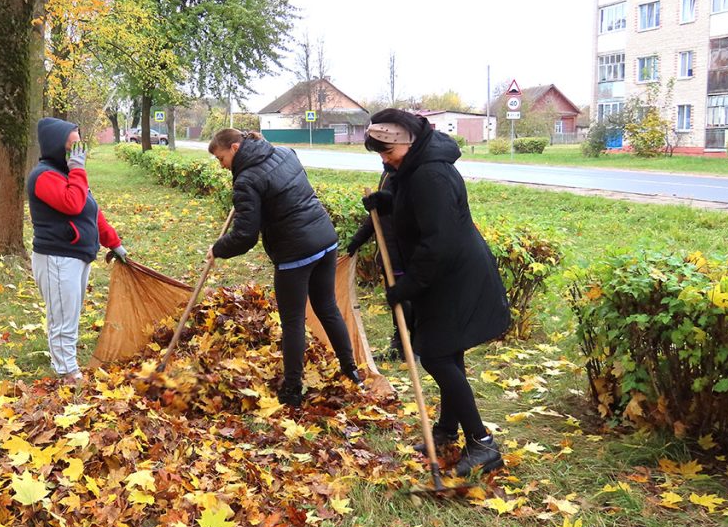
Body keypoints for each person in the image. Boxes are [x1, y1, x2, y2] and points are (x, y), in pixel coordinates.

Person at [361, 109, 510, 477]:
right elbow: (420, 213)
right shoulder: (416, 167)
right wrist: (389, 204)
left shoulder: (430, 173)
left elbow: (438, 242)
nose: (384, 160)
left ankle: (482, 444)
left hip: (455, 274)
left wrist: (407, 287)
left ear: (406, 143)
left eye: (386, 152)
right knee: (447, 353)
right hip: (446, 272)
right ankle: (446, 430)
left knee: (436, 356)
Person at [206, 128, 360, 408]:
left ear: (236, 148)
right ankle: (351, 369)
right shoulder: (284, 153)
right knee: (327, 307)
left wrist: (218, 249)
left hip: (295, 252)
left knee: (292, 321)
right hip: (324, 239)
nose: (222, 165)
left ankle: (292, 390)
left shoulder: (246, 179)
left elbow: (245, 235)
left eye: (221, 158)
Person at [27, 117, 127, 384]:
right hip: (57, 256)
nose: (77, 151)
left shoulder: (69, 174)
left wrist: (113, 242)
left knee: (70, 312)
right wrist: (78, 169)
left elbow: (91, 211)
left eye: (79, 145)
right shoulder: (44, 176)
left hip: (77, 256)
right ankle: (67, 372)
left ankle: (65, 362)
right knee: (62, 316)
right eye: (72, 145)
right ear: (56, 146)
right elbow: (72, 205)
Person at [344, 163, 409, 361]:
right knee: (396, 298)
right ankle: (401, 344)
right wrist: (358, 239)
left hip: (403, 253)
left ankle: (409, 347)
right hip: (389, 251)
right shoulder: (388, 171)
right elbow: (377, 216)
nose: (383, 157)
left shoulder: (408, 174)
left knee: (405, 300)